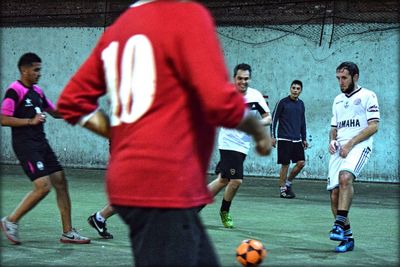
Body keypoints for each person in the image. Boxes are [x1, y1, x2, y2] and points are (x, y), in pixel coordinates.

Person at [56, 1, 271, 266]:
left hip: (133, 183)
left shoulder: (115, 32)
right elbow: (217, 100)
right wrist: (257, 129)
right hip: (163, 183)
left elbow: (72, 101)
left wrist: (119, 134)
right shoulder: (187, 15)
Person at [0, 52, 90, 245]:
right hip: (26, 146)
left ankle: (68, 232)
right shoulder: (14, 90)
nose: (39, 73)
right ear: (24, 70)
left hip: (42, 143)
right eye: (36, 70)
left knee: (60, 181)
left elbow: (54, 112)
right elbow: (4, 118)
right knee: (43, 187)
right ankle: (10, 220)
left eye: (40, 69)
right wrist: (30, 121)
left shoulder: (37, 91)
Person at [206, 63, 272, 228]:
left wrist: (257, 125)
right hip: (228, 143)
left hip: (243, 146)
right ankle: (224, 211)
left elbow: (268, 117)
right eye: (240, 78)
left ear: (250, 79)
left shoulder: (255, 96)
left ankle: (193, 205)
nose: (243, 82)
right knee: (236, 180)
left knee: (223, 180)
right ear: (234, 78)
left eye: (246, 79)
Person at [327, 61, 380, 253]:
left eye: (344, 78)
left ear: (355, 77)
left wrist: (350, 144)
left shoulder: (368, 96)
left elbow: (374, 126)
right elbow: (334, 128)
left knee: (345, 177)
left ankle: (338, 224)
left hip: (359, 145)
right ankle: (347, 238)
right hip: (339, 148)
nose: (340, 82)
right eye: (338, 78)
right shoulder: (337, 100)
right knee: (334, 195)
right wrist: (332, 141)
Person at [271, 80, 308, 198]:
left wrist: (304, 138)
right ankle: (282, 189)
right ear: (290, 89)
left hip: (297, 139)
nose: (295, 90)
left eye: (298, 88)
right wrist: (273, 136)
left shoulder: (301, 104)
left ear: (301, 91)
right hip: (284, 139)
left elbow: (303, 122)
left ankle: (288, 183)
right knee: (285, 164)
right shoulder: (282, 103)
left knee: (301, 163)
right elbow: (273, 120)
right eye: (293, 88)